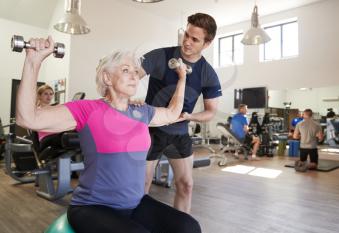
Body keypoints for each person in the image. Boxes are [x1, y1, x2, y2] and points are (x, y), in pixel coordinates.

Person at [16, 37, 201, 233]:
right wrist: (33, 62)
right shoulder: (87, 110)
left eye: (136, 72)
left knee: (188, 227)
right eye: (125, 70)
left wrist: (182, 78)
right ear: (107, 78)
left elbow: (172, 113)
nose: (134, 76)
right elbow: (28, 119)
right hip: (92, 207)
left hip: (135, 203)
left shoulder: (142, 112)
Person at [139, 13, 222, 213]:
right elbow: (132, 77)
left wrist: (190, 117)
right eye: (186, 34)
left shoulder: (207, 73)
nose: (186, 42)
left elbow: (210, 112)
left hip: (179, 133)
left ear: (207, 43)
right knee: (141, 186)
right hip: (151, 131)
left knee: (186, 185)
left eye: (195, 39)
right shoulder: (161, 56)